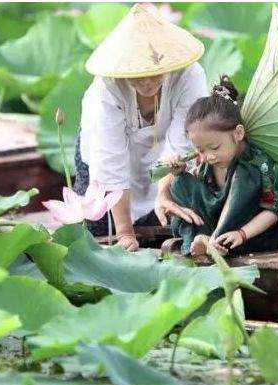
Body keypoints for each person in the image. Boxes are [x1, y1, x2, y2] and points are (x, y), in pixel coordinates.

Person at [73, 3, 208, 251]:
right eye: (138, 74)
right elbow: (110, 164)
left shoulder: (189, 76)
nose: (146, 82)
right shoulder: (105, 91)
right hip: (106, 159)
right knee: (99, 231)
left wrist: (165, 191)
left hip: (167, 156)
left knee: (167, 218)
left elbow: (183, 144)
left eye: (155, 72)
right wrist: (125, 234)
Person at [165, 76, 278, 257]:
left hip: (254, 234)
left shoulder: (260, 163)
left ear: (238, 133)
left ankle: (214, 241)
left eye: (214, 148)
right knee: (180, 183)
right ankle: (209, 240)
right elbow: (200, 200)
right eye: (200, 150)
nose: (208, 157)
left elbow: (273, 211)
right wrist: (178, 172)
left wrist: (241, 234)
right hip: (220, 232)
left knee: (244, 174)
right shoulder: (205, 163)